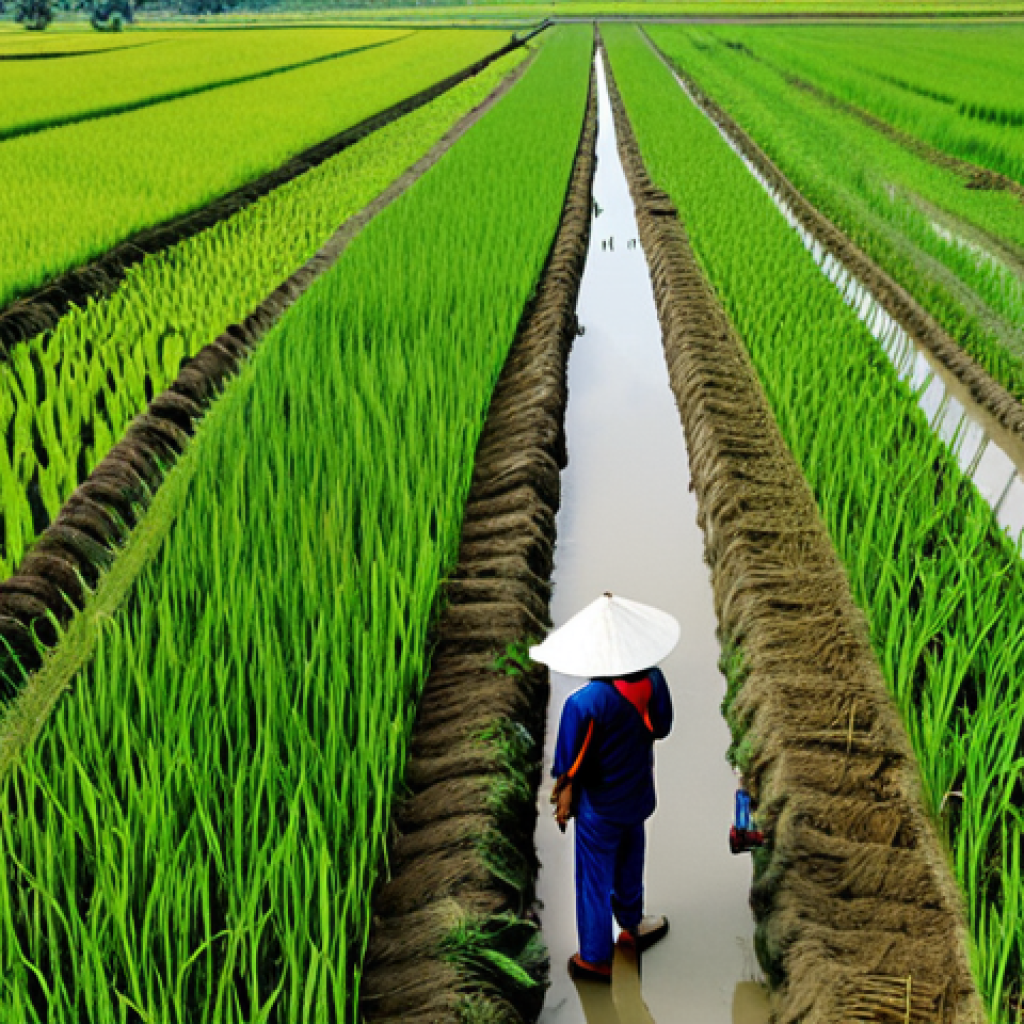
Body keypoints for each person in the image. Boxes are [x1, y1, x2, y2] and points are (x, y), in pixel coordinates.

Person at [530, 592, 677, 984]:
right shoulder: (654, 681)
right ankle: (632, 927)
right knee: (631, 863)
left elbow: (566, 764)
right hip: (638, 797)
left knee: (593, 882)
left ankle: (595, 958)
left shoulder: (585, 703)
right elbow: (662, 727)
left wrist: (563, 801)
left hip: (600, 810)